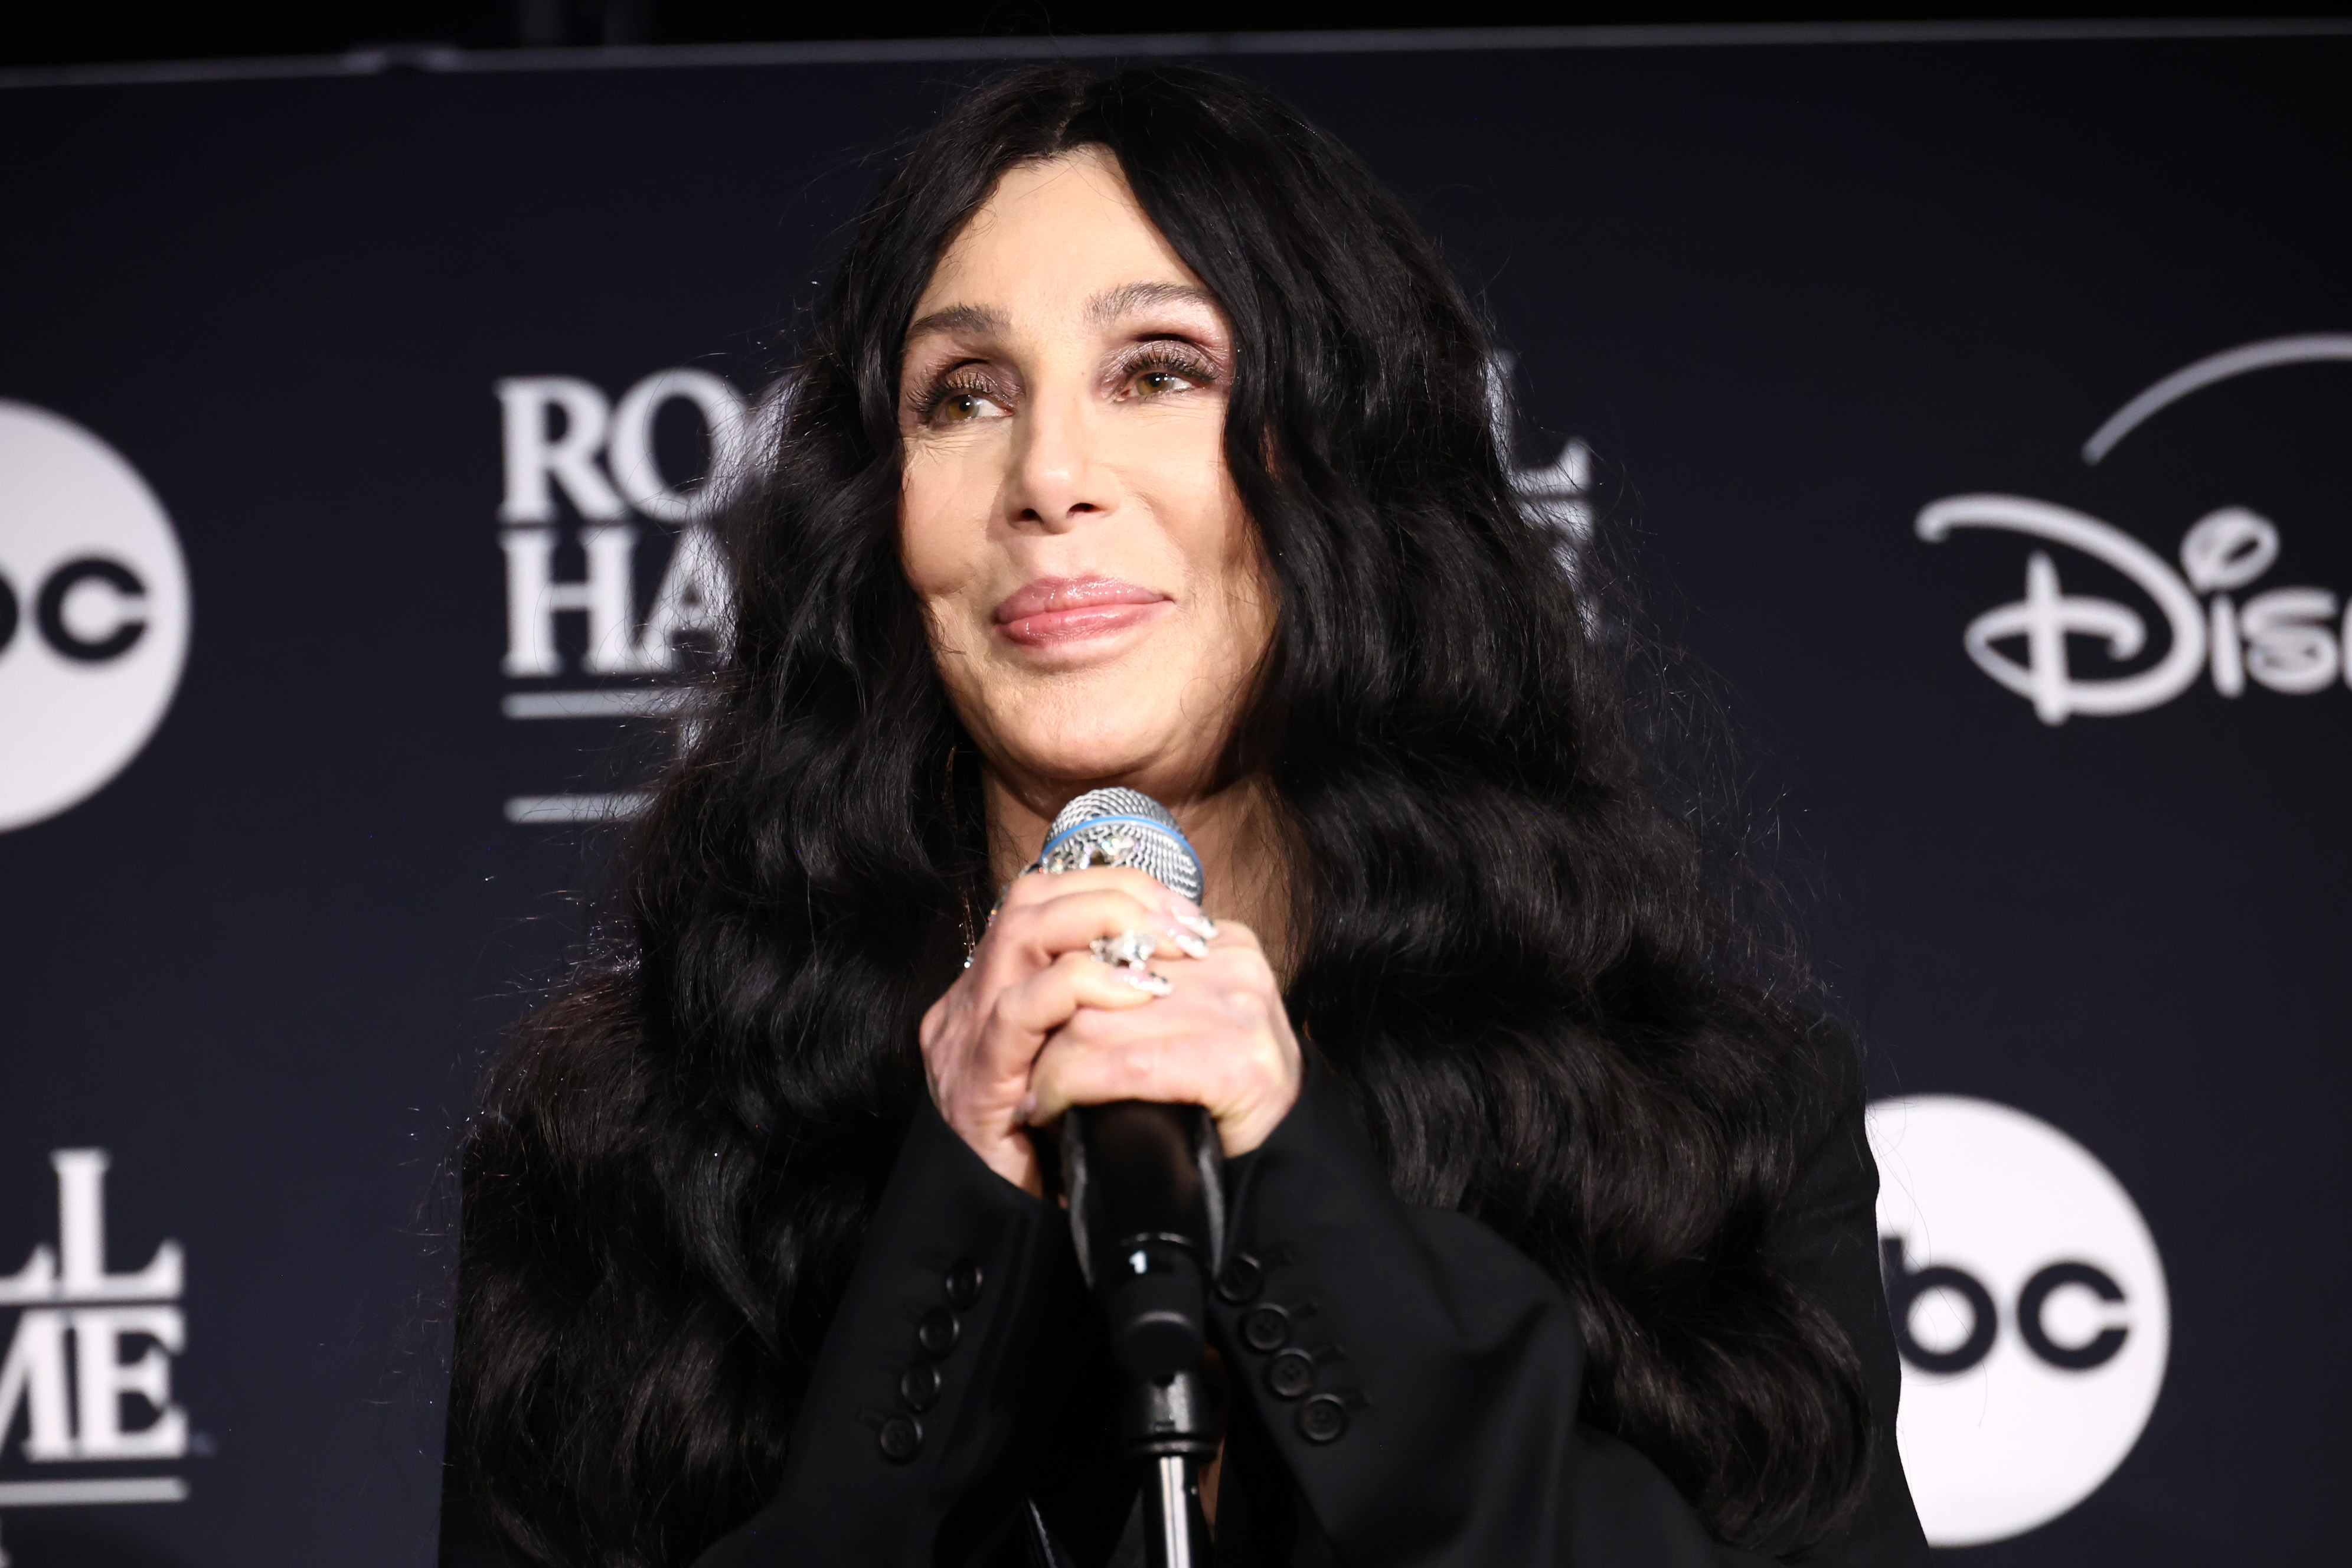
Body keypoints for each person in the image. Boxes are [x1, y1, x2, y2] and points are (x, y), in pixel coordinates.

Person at [440, 63, 1929, 1568]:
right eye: (964, 396)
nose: (1051, 477)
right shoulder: (630, 1157)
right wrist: (952, 1214)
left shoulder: (1698, 1122)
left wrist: (1297, 1185)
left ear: (1341, 456)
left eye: (1158, 369)